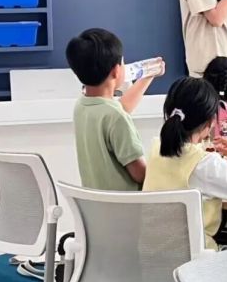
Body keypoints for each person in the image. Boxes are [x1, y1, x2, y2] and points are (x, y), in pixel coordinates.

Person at [142, 77, 227, 250]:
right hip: (196, 260)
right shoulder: (204, 164)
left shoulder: (155, 148)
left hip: (151, 256)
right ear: (210, 122)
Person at [65, 28, 164, 191]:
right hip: (126, 204)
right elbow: (140, 174)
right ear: (116, 71)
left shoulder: (82, 106)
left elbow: (118, 109)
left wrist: (147, 76)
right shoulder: (115, 117)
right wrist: (165, 171)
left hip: (98, 203)